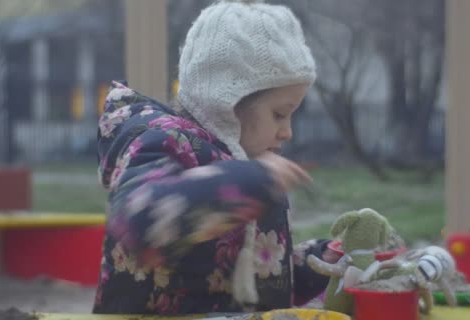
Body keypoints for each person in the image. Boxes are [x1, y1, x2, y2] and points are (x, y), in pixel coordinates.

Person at [93, 0, 337, 315]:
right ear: (227, 103)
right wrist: (250, 182)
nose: (287, 132)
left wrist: (322, 261)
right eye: (279, 114)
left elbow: (259, 276)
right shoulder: (163, 141)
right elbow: (138, 220)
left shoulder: (249, 168)